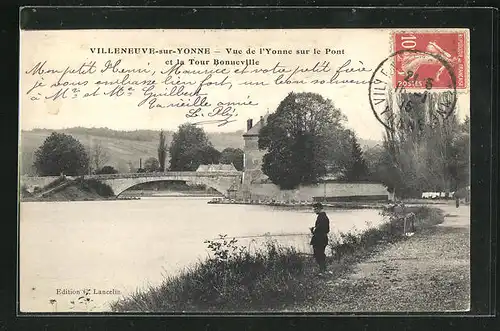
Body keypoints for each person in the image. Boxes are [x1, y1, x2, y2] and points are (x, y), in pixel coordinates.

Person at [310, 202, 330, 274]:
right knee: (321, 254)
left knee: (318, 254)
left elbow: (319, 229)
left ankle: (322, 270)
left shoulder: (321, 217)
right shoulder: (324, 216)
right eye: (314, 209)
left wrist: (313, 230)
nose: (314, 210)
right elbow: (327, 229)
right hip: (323, 238)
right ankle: (323, 270)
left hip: (319, 239)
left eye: (315, 209)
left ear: (319, 208)